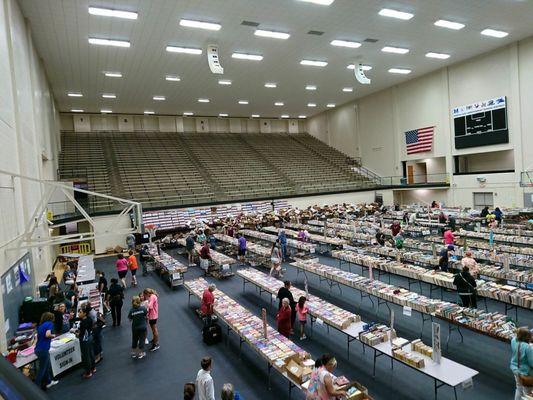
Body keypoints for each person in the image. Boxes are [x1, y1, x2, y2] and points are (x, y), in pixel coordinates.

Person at [34, 312, 58, 390]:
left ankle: (48, 382)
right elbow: (47, 335)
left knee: (46, 366)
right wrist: (53, 335)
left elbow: (38, 338)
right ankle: (35, 386)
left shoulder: (40, 326)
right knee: (42, 369)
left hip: (38, 349)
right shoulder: (49, 324)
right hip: (43, 349)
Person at [510, 327, 533, 400]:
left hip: (515, 369)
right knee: (527, 393)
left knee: (519, 389)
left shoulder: (513, 341)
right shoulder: (527, 347)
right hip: (526, 373)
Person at [76, 307, 95, 379]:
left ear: (84, 313)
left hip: (85, 340)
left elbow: (82, 333)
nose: (78, 314)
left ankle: (88, 372)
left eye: (80, 312)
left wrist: (76, 333)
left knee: (86, 356)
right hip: (90, 337)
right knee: (90, 353)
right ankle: (93, 368)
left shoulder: (83, 322)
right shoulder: (89, 319)